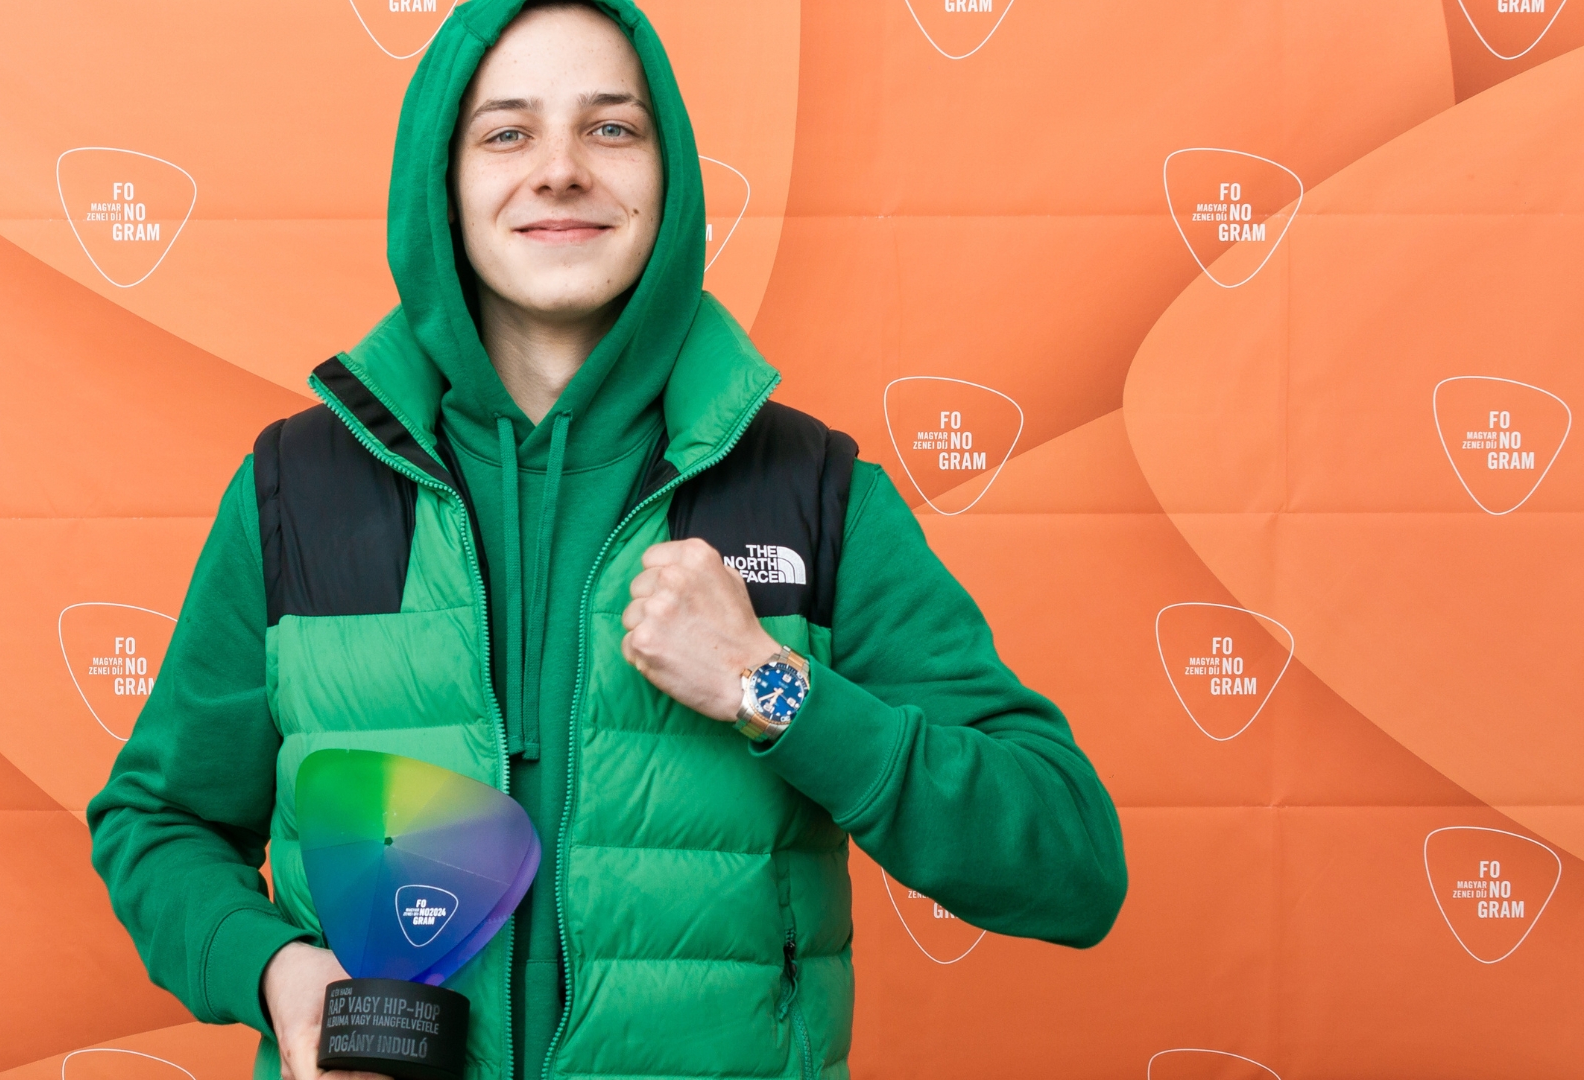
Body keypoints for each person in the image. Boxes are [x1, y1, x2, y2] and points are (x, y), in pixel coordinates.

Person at [88, 3, 1128, 1079]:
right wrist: (271, 971)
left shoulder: (814, 495)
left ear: (668, 177)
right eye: (506, 132)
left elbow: (1069, 865)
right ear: (439, 181)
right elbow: (157, 822)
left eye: (610, 128)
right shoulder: (296, 491)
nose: (559, 171)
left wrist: (770, 688)